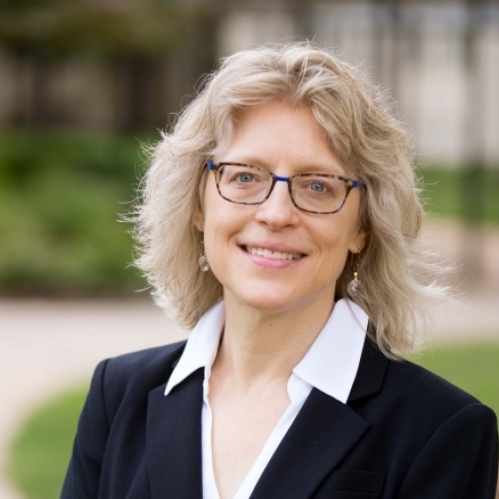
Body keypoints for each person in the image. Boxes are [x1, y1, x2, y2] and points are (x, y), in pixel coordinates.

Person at [61, 42, 498, 499]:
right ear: (197, 205)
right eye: (245, 176)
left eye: (317, 185)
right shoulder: (118, 396)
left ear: (362, 228)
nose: (275, 213)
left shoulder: (442, 430)